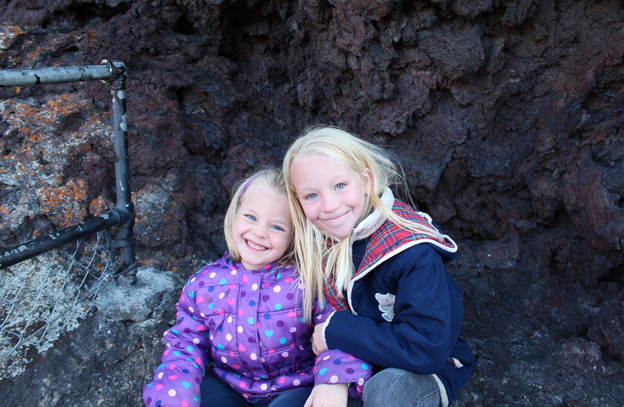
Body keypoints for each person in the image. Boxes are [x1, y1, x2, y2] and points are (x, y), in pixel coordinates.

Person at [143, 168, 371, 407]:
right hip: (231, 388)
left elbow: (339, 331)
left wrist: (333, 381)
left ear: (294, 235)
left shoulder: (310, 279)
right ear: (234, 214)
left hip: (296, 388)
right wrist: (174, 395)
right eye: (251, 217)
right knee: (200, 395)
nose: (259, 232)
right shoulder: (204, 284)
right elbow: (186, 346)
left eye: (277, 227)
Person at [282, 126, 474, 407]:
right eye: (311, 195)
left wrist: (335, 331)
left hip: (422, 372)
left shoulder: (413, 254)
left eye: (339, 186)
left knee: (389, 389)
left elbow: (425, 349)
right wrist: (332, 378)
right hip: (353, 366)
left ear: (366, 180)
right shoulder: (320, 246)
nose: (330, 205)